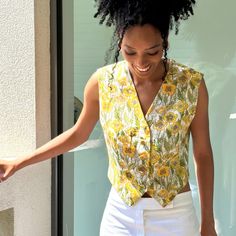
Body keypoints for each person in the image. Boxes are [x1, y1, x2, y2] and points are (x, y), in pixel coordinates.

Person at [0, 0, 217, 235]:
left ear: (165, 41)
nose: (141, 62)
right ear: (119, 41)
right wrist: (19, 162)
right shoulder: (102, 83)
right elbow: (77, 134)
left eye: (152, 52)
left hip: (176, 215)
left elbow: (202, 154)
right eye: (130, 52)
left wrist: (207, 222)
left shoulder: (191, 84)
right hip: (121, 216)